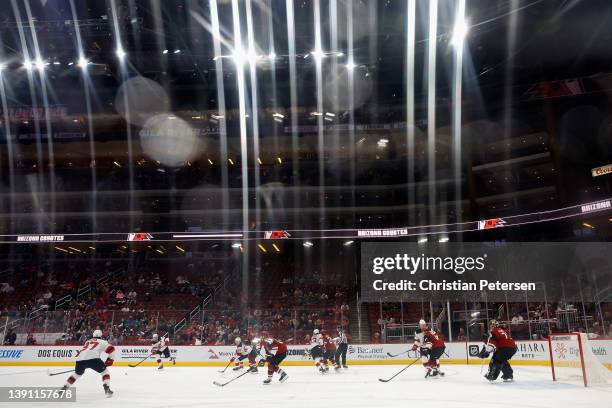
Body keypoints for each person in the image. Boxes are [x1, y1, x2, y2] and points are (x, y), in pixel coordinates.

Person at [62, 329, 116, 398]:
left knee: (76, 374)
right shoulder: (102, 342)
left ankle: (64, 387)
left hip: (80, 360)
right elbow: (112, 349)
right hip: (94, 359)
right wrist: (110, 359)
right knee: (105, 372)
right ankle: (107, 388)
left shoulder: (87, 341)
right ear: (101, 336)